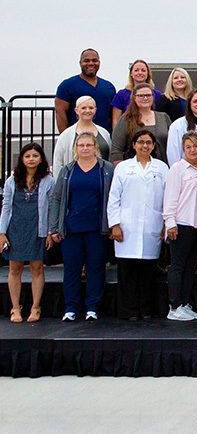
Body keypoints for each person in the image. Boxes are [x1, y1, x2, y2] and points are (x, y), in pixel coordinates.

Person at [47, 132, 114, 321]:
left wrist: (112, 225)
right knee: (71, 268)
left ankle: (92, 307)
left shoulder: (106, 169)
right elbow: (56, 198)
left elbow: (113, 197)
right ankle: (71, 307)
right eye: (81, 145)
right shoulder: (67, 171)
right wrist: (54, 228)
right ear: (75, 148)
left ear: (95, 147)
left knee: (96, 267)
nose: (85, 148)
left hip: (97, 228)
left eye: (88, 145)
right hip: (72, 228)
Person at [106, 128, 169, 320]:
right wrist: (115, 224)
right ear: (133, 145)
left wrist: (166, 223)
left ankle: (146, 309)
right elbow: (114, 197)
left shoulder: (161, 168)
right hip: (127, 226)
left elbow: (168, 197)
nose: (145, 146)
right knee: (128, 271)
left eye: (148, 142)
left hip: (152, 224)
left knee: (148, 271)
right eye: (140, 142)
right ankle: (129, 311)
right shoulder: (123, 168)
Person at [1, 143, 54, 324]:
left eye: (35, 156)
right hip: (15, 229)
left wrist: (49, 232)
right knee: (15, 268)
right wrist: (2, 232)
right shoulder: (11, 180)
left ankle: (35, 307)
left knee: (36, 268)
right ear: (22, 159)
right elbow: (6, 207)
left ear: (41, 159)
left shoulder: (48, 180)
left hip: (37, 228)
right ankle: (15, 308)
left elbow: (51, 208)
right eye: (27, 156)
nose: (31, 159)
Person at [162, 131, 197, 321]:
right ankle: (174, 307)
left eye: (195, 146)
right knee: (177, 266)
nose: (192, 150)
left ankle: (184, 303)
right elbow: (170, 198)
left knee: (191, 267)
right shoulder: (178, 169)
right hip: (181, 223)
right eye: (188, 147)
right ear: (183, 148)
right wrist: (170, 222)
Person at [55, 48, 117, 132]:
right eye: (86, 61)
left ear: (99, 62)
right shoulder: (67, 86)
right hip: (78, 140)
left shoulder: (109, 87)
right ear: (80, 63)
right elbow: (60, 114)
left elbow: (114, 116)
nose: (91, 63)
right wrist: (66, 139)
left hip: (103, 138)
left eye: (94, 60)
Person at [110, 83, 171, 163]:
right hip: (134, 170)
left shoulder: (164, 117)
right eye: (141, 96)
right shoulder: (126, 119)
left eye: (148, 95)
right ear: (134, 98)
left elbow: (172, 146)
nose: (145, 98)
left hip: (161, 168)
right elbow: (116, 150)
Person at [53, 96, 112, 173]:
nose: (87, 111)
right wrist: (60, 183)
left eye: (91, 108)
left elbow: (110, 157)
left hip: (102, 180)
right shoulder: (66, 135)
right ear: (76, 110)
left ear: (95, 110)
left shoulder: (104, 133)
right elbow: (58, 162)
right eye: (83, 108)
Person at [166, 89, 197, 165]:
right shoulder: (177, 125)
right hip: (186, 172)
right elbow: (173, 154)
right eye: (195, 101)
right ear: (189, 104)